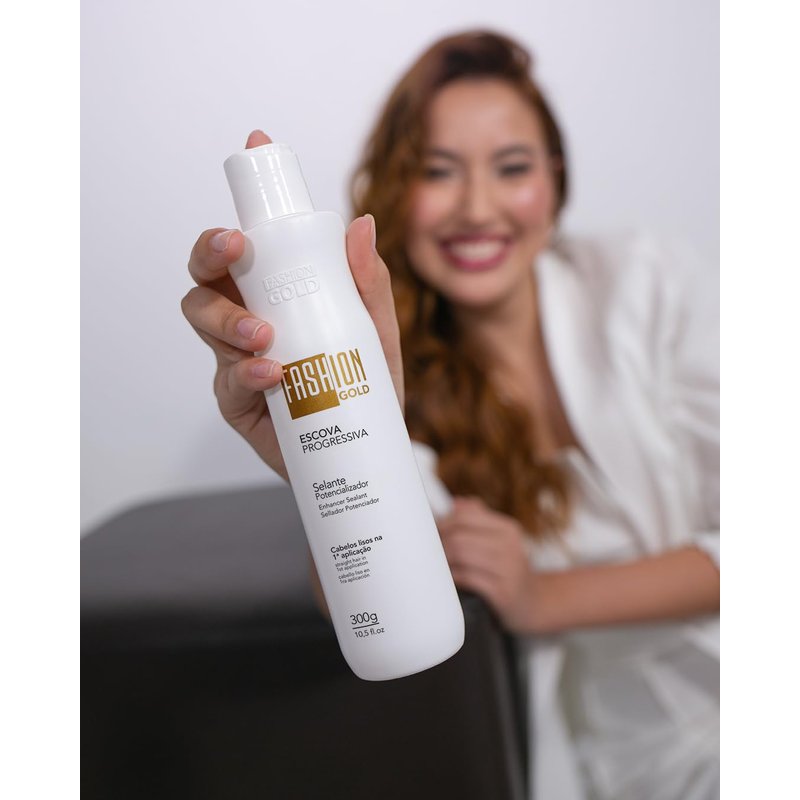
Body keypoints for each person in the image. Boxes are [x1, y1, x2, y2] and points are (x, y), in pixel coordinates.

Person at [182, 30, 719, 800]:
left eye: (512, 167)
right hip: (613, 758)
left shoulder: (650, 283)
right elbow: (375, 595)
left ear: (556, 178)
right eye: (438, 171)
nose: (477, 207)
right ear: (397, 186)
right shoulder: (381, 371)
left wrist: (543, 599)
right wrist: (305, 461)